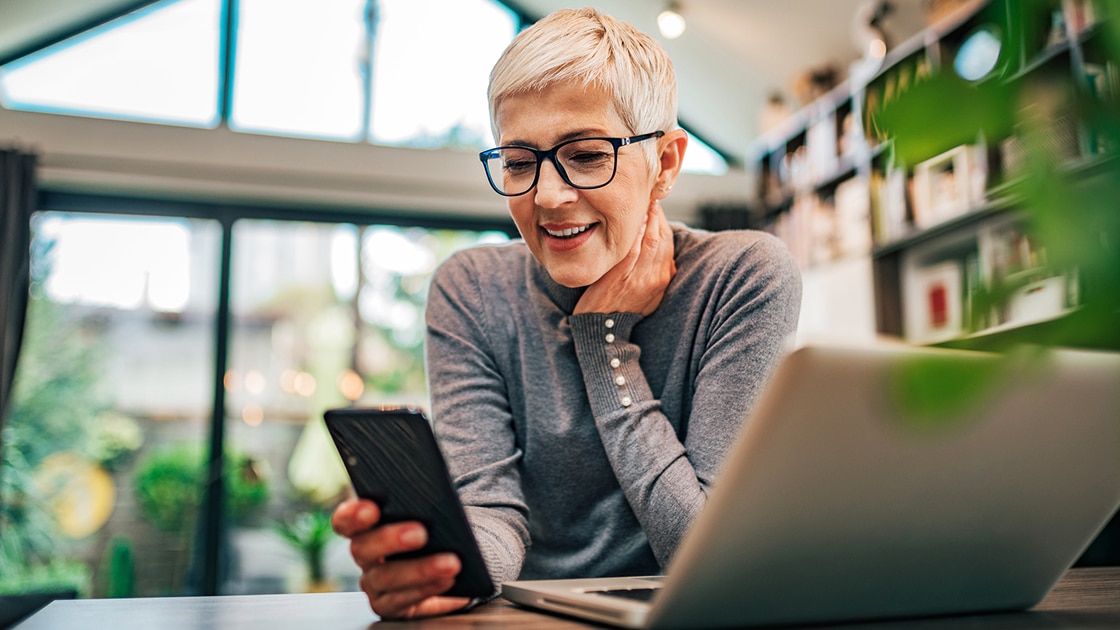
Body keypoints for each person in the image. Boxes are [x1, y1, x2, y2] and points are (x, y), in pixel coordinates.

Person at [332, 7, 802, 620]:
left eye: (585, 154)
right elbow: (492, 513)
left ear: (664, 163)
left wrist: (603, 340)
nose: (548, 197)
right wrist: (445, 565)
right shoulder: (472, 290)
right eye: (520, 162)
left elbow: (704, 552)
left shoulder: (743, 277)